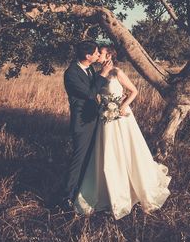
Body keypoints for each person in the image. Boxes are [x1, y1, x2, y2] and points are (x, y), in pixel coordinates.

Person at [74, 45, 171, 219]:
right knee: (108, 154)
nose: (97, 55)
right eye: (96, 53)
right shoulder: (98, 74)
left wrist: (122, 106)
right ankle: (108, 191)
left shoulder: (117, 72)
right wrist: (104, 109)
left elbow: (134, 91)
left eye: (100, 53)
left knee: (127, 152)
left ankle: (133, 189)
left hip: (121, 118)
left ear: (109, 55)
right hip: (105, 120)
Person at [61, 40, 113, 211]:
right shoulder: (71, 73)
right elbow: (90, 94)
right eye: (97, 53)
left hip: (95, 118)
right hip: (82, 123)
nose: (99, 55)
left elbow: (95, 87)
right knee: (79, 159)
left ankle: (84, 191)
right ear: (88, 56)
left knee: (91, 158)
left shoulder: (89, 68)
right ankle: (67, 197)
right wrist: (103, 74)